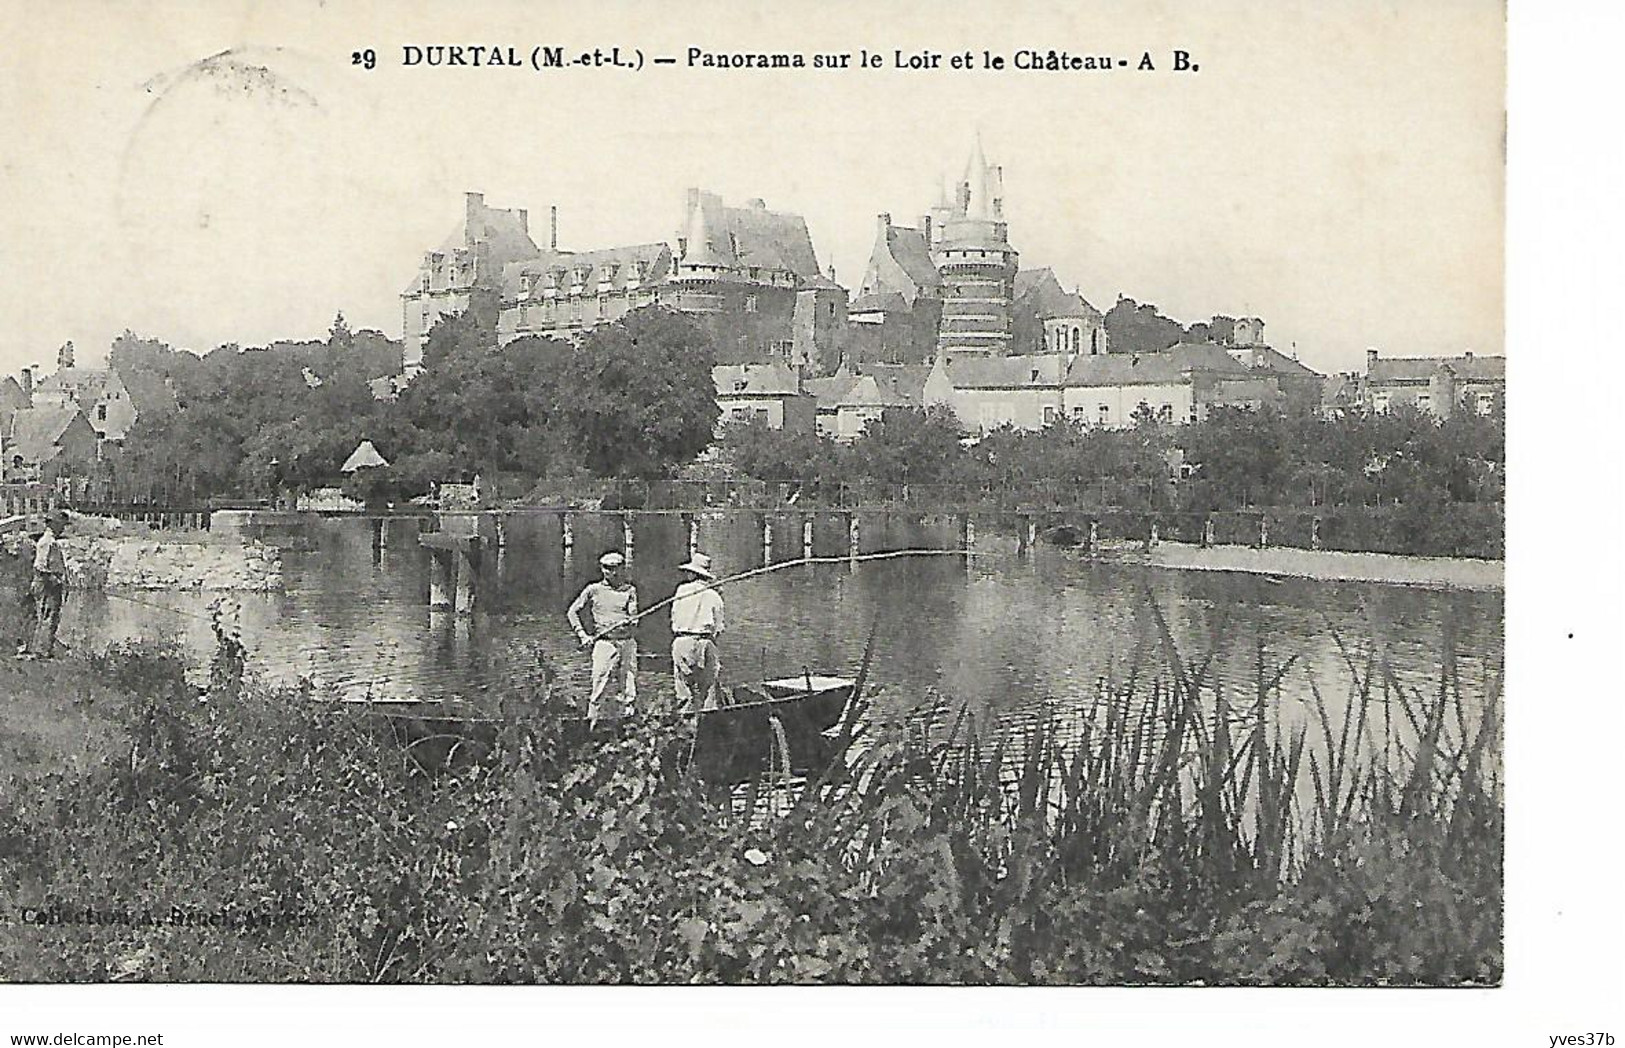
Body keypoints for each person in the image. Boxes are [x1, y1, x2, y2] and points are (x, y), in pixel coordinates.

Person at [566, 551, 639, 723]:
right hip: (604, 644)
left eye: (616, 569)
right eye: (608, 569)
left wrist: (631, 621)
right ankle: (592, 722)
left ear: (622, 569)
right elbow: (572, 612)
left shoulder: (630, 590)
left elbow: (633, 616)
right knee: (599, 683)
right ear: (602, 569)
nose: (612, 573)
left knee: (629, 685)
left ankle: (628, 723)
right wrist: (582, 635)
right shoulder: (593, 589)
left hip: (627, 642)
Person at [670, 552, 724, 712]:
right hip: (705, 642)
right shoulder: (714, 596)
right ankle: (709, 725)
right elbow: (719, 628)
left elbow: (674, 617)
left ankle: (686, 726)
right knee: (708, 690)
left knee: (684, 688)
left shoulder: (681, 590)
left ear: (693, 574)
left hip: (682, 641)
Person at [23, 510, 69, 659]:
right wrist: (55, 580)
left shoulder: (51, 541)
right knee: (47, 617)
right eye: (61, 524)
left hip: (50, 584)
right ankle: (41, 652)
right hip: (47, 585)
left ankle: (44, 648)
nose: (63, 528)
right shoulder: (47, 542)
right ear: (53, 524)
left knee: (51, 617)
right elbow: (41, 567)